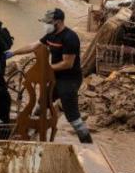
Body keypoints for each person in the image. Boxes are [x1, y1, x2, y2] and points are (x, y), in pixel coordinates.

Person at [7, 8, 93, 143]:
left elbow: (67, 63)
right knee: (42, 102)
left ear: (58, 22)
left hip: (69, 80)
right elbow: (33, 46)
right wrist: (14, 53)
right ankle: (33, 129)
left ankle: (87, 143)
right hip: (55, 77)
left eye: (48, 22)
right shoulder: (51, 35)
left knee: (73, 116)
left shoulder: (70, 37)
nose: (45, 25)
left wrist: (45, 69)